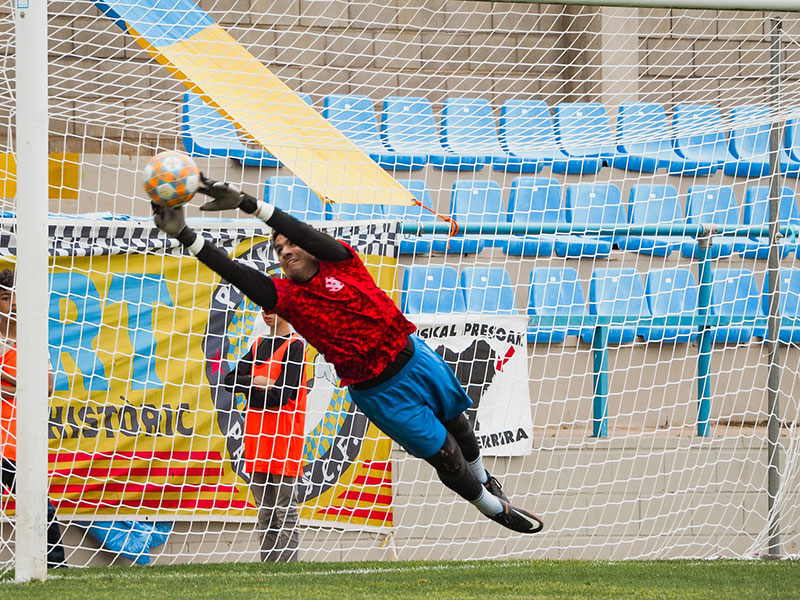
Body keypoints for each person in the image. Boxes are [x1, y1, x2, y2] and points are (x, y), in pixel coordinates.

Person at [152, 176, 543, 534]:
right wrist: (184, 233)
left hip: (414, 357)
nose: (286, 249)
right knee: (444, 457)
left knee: (459, 425)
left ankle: (486, 477)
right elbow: (234, 272)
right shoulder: (286, 298)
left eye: (289, 243)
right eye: (279, 249)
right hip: (377, 391)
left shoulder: (343, 263)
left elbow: (301, 229)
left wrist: (248, 203)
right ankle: (493, 508)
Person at [223, 309, 307, 562]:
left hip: (283, 437)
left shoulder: (296, 347)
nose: (266, 313)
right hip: (257, 438)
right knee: (265, 512)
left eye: (272, 308)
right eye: (263, 307)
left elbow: (282, 395)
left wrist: (250, 392)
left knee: (285, 510)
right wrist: (256, 381)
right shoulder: (258, 345)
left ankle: (288, 568)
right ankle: (268, 568)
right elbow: (229, 380)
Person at [0, 268, 67, 567]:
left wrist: (12, 385)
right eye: (4, 297)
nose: (13, 303)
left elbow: (48, 387)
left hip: (18, 440)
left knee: (38, 504)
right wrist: (23, 384)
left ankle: (56, 562)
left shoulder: (34, 340)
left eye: (16, 296)